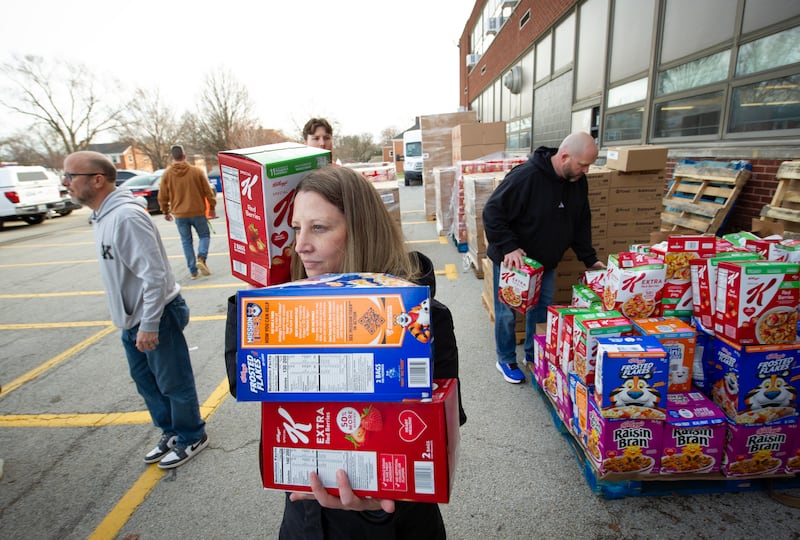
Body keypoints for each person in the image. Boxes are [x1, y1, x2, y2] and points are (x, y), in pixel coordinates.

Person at [224, 166, 466, 539]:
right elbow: (245, 384)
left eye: (318, 228)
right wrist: (260, 300)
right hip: (306, 521)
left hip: (392, 526)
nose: (301, 244)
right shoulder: (290, 313)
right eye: (296, 229)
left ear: (360, 231)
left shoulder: (424, 321)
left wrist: (385, 505)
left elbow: (440, 438)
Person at [62, 151, 208, 469]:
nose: (65, 182)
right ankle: (171, 431)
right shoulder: (103, 216)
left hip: (156, 316)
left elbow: (154, 274)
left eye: (71, 176)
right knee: (147, 382)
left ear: (97, 180)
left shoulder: (126, 217)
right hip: (134, 321)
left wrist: (150, 323)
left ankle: (191, 434)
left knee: (172, 381)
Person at [482, 131, 605, 384]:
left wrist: (589, 259)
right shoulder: (526, 176)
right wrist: (508, 247)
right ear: (564, 156)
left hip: (546, 263)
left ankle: (533, 355)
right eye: (583, 165)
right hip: (514, 263)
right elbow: (492, 211)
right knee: (507, 313)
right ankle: (505, 359)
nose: (586, 171)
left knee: (540, 312)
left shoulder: (578, 181)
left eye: (589, 165)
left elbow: (581, 221)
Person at [158, 144, 217, 279]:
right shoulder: (196, 172)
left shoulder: (167, 174)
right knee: (204, 235)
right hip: (197, 211)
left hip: (180, 214)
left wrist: (165, 211)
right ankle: (201, 258)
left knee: (186, 241)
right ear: (184, 156)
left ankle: (193, 271)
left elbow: (163, 195)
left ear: (172, 157)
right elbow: (207, 191)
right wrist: (212, 207)